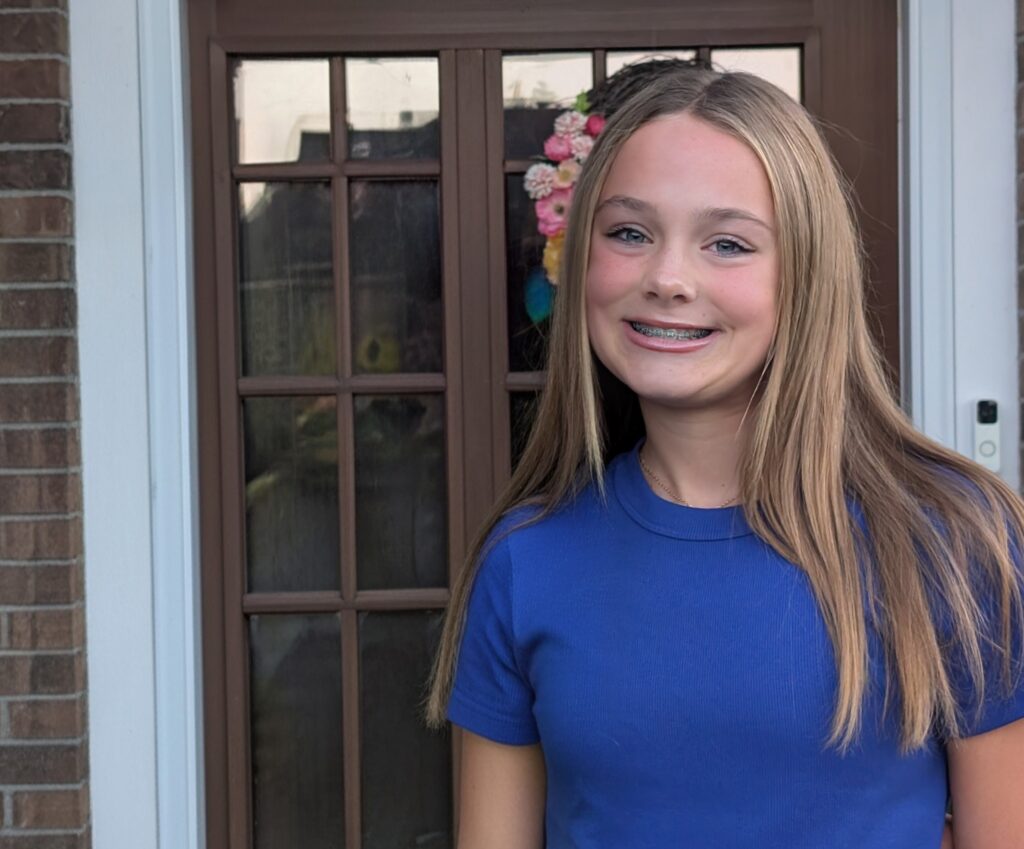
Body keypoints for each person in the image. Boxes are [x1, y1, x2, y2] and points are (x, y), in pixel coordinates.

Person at [424, 67, 1024, 848]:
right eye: (629, 232)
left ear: (807, 276)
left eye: (729, 243)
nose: (668, 278)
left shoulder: (949, 539)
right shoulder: (525, 561)